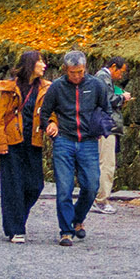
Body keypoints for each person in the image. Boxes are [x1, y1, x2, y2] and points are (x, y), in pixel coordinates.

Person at [40, 50, 115, 245]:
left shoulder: (96, 85)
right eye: (73, 72)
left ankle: (78, 218)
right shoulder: (57, 87)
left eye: (80, 71)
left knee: (91, 186)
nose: (77, 76)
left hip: (89, 141)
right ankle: (65, 231)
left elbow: (106, 110)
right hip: (64, 140)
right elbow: (45, 112)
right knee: (64, 187)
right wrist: (50, 123)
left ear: (85, 69)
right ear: (65, 70)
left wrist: (101, 125)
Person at [0, 50, 51, 243]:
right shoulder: (9, 87)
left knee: (35, 185)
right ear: (30, 64)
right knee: (13, 186)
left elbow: (50, 111)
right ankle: (16, 229)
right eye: (40, 62)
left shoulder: (45, 88)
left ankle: (15, 220)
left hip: (33, 141)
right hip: (12, 141)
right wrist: (0, 143)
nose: (44, 65)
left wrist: (52, 123)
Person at [91, 55, 131, 214]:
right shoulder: (102, 77)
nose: (121, 76)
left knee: (103, 162)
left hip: (104, 125)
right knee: (107, 163)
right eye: (120, 72)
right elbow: (107, 99)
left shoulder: (101, 77)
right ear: (113, 67)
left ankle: (98, 197)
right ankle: (101, 199)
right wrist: (122, 97)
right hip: (106, 125)